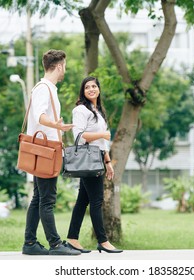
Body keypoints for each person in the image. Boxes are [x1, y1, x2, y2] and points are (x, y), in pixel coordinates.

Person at [22, 49, 80, 256]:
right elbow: (40, 116)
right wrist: (56, 125)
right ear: (58, 66)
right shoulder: (44, 88)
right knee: (47, 199)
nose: (65, 69)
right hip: (45, 151)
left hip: (46, 150)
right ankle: (55, 244)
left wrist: (55, 127)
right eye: (64, 65)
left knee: (39, 198)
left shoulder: (49, 88)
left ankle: (29, 243)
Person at [66, 76, 123, 254]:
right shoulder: (80, 110)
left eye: (94, 86)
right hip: (88, 159)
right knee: (96, 201)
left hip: (97, 157)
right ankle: (103, 241)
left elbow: (101, 143)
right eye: (87, 87)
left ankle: (72, 239)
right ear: (83, 92)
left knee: (82, 201)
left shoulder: (98, 111)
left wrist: (108, 162)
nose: (91, 89)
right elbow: (80, 136)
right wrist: (102, 135)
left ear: (98, 89)